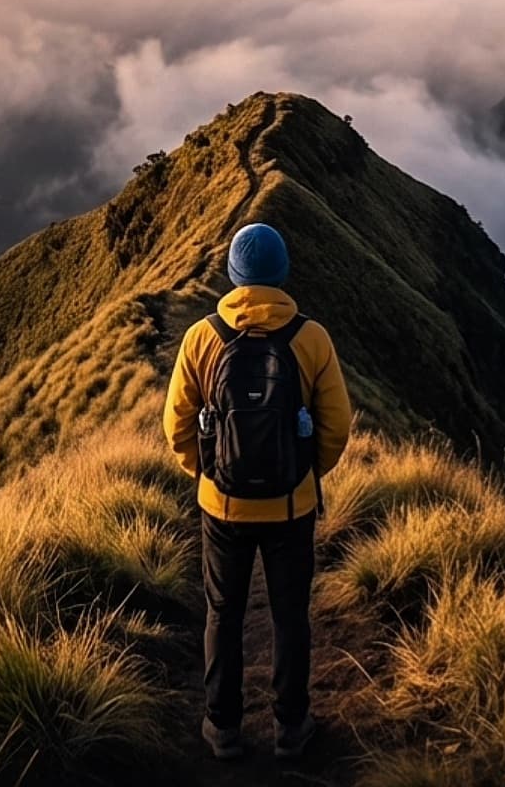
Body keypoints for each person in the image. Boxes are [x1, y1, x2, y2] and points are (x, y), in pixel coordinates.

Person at [163, 222, 356, 762]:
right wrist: (305, 472)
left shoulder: (201, 337)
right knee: (289, 613)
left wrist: (203, 472)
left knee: (223, 611)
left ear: (232, 275)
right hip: (291, 507)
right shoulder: (311, 338)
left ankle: (222, 728)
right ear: (282, 274)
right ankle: (291, 727)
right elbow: (336, 425)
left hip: (220, 507)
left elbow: (177, 422)